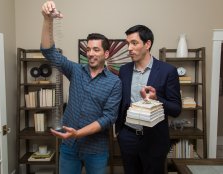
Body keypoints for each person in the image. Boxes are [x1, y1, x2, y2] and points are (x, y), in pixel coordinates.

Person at [40, 1, 122, 174]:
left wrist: (78, 133)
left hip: (96, 150)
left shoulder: (115, 82)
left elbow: (108, 118)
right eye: (88, 49)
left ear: (106, 54)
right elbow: (49, 52)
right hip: (69, 147)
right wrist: (48, 19)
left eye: (96, 49)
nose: (90, 53)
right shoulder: (76, 71)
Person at [115, 25, 182, 174]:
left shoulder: (168, 71)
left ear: (147, 44)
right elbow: (120, 103)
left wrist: (157, 99)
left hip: (155, 140)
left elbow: (176, 109)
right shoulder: (124, 70)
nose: (129, 48)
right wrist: (120, 132)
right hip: (128, 138)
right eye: (128, 44)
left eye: (134, 43)